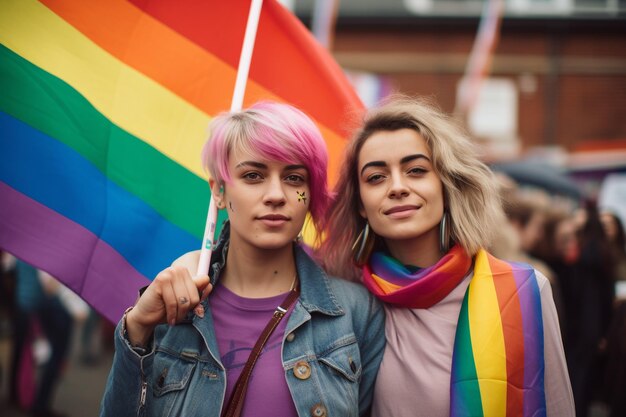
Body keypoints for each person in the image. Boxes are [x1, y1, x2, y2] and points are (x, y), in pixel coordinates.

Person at [99, 101, 385, 417]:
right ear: (219, 191)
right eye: (253, 175)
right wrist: (138, 325)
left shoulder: (355, 312)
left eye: (293, 178)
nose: (276, 194)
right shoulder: (171, 309)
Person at [321, 96, 574, 416]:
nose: (397, 187)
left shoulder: (523, 290)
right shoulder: (343, 301)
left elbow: (557, 407)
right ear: (360, 203)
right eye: (376, 177)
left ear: (446, 184)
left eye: (416, 170)